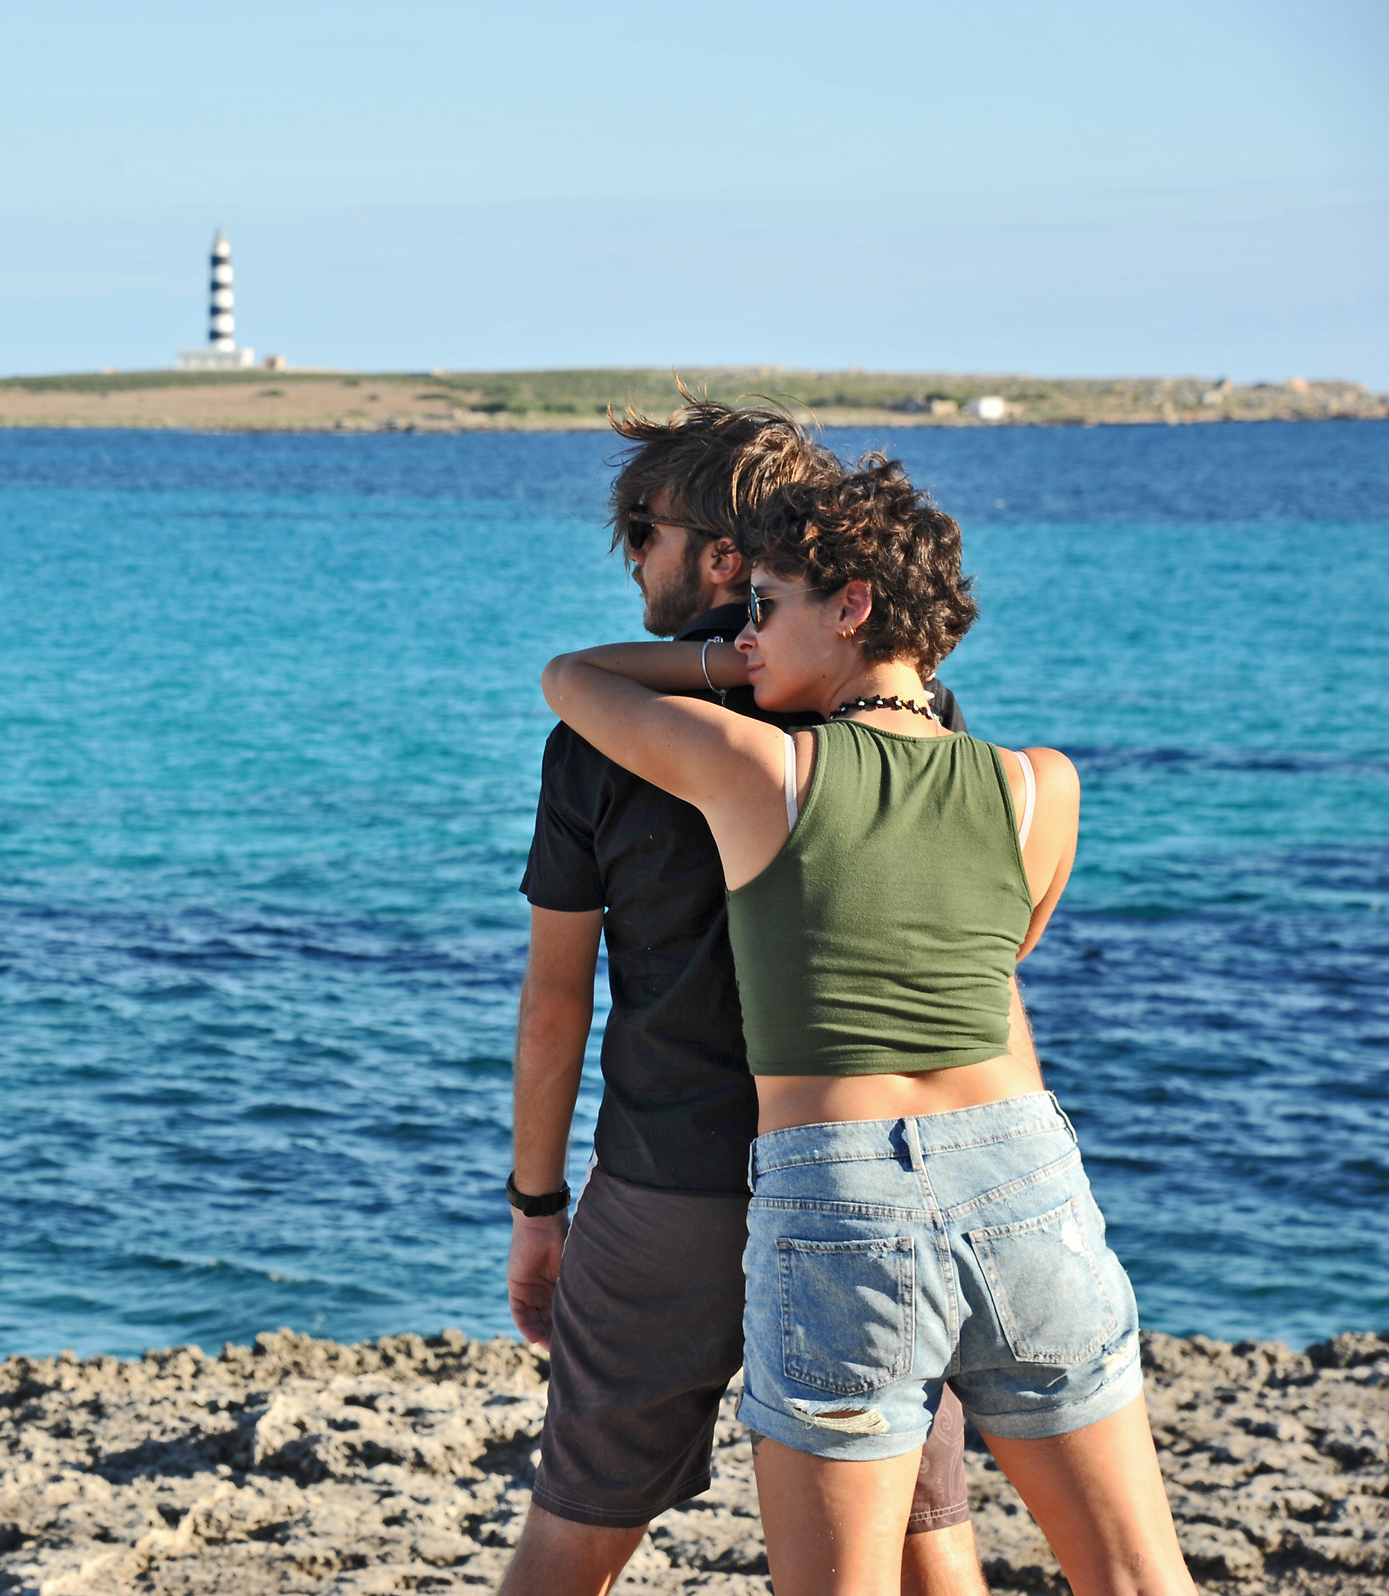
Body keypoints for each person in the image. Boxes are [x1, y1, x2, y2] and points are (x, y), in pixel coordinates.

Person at [537, 458, 1193, 1596]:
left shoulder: (758, 772)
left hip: (845, 1193)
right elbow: (995, 962)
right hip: (1029, 1178)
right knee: (1139, 1576)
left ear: (852, 607)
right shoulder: (1041, 786)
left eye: (769, 611)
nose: (749, 641)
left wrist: (707, 664)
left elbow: (570, 677)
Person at [499, 402, 981, 1596]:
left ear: (720, 555)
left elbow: (555, 1006)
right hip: (871, 1184)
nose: (630, 557)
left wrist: (538, 1202)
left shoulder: (601, 730)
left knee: (574, 1537)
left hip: (671, 1182)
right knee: (923, 1545)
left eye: (641, 528)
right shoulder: (900, 717)